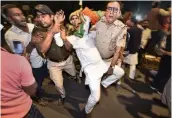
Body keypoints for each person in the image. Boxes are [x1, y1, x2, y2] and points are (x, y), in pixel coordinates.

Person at [34, 4, 79, 105]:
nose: (41, 19)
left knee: (73, 73)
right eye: (39, 16)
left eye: (43, 16)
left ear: (52, 16)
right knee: (59, 85)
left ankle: (74, 77)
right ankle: (63, 96)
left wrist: (64, 38)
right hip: (53, 64)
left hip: (67, 60)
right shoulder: (37, 31)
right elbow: (42, 50)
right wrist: (52, 32)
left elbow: (69, 48)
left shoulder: (62, 27)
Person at [1, 27, 44, 118]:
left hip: (37, 64)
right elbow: (20, 53)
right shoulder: (12, 35)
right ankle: (38, 98)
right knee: (35, 84)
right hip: (24, 111)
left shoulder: (31, 28)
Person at [95, 1, 126, 87]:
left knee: (120, 73)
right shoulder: (99, 22)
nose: (111, 11)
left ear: (119, 13)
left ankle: (103, 84)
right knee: (94, 84)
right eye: (109, 8)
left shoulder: (122, 28)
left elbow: (117, 51)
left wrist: (111, 67)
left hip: (107, 61)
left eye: (115, 9)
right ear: (105, 10)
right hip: (95, 59)